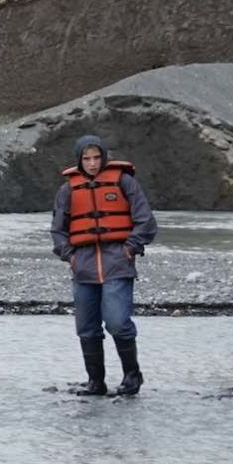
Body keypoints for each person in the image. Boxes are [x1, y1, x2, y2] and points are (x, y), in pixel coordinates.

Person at [51, 133, 159, 397]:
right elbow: (58, 231)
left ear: (104, 157)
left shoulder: (125, 183)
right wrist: (70, 256)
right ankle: (95, 383)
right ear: (79, 160)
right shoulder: (68, 190)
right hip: (83, 266)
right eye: (86, 158)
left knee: (117, 322)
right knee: (86, 328)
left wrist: (130, 248)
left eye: (96, 157)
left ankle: (132, 376)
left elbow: (146, 222)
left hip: (117, 263)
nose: (92, 163)